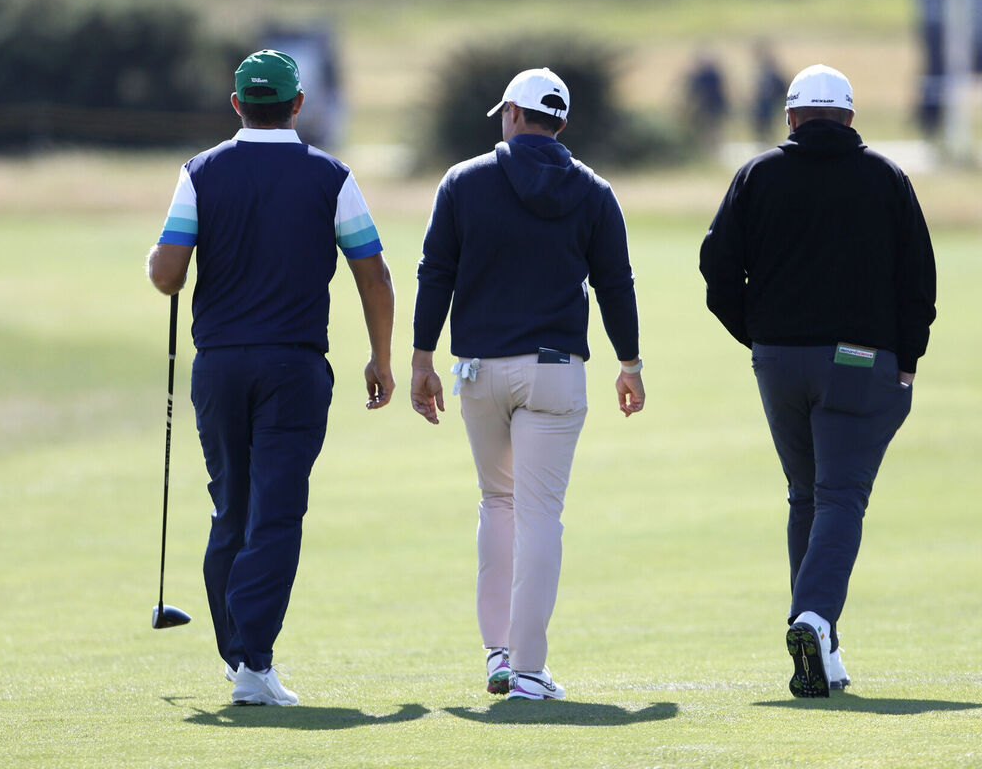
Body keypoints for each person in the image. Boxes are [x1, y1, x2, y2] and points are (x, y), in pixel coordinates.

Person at [146, 49, 396, 706]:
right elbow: (374, 273)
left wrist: (157, 256)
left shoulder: (199, 172)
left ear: (236, 105)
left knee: (233, 508)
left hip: (220, 366)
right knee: (275, 512)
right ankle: (253, 665)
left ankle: (240, 660)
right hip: (294, 366)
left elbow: (167, 276)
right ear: (297, 104)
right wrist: (381, 357)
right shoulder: (330, 175)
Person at [699, 64, 936, 698]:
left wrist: (759, 337)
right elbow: (918, 280)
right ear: (851, 118)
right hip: (862, 362)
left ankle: (823, 648)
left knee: (806, 493)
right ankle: (812, 619)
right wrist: (907, 359)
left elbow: (716, 270)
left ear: (791, 118)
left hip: (778, 361)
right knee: (839, 497)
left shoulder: (758, 174)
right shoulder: (886, 178)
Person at [410, 67, 644, 701]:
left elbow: (437, 273)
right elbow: (615, 283)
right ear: (560, 122)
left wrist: (421, 358)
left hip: (480, 370)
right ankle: (530, 671)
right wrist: (631, 364)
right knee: (540, 514)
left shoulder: (463, 181)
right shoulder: (594, 191)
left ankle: (498, 654)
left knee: (498, 504)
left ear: (512, 113)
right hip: (555, 372)